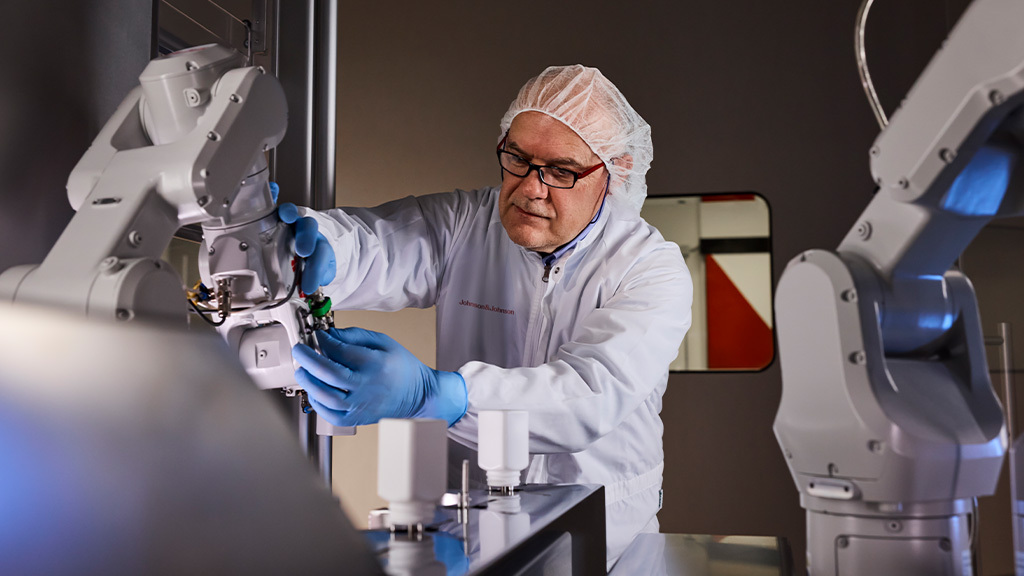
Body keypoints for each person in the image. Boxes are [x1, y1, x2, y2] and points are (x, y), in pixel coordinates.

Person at [280, 65, 693, 566]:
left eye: (561, 171)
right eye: (517, 159)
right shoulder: (466, 225)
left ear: (616, 171)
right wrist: (304, 246)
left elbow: (591, 393)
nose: (530, 189)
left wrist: (438, 395)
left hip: (607, 536)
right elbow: (376, 246)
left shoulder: (650, 269)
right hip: (472, 523)